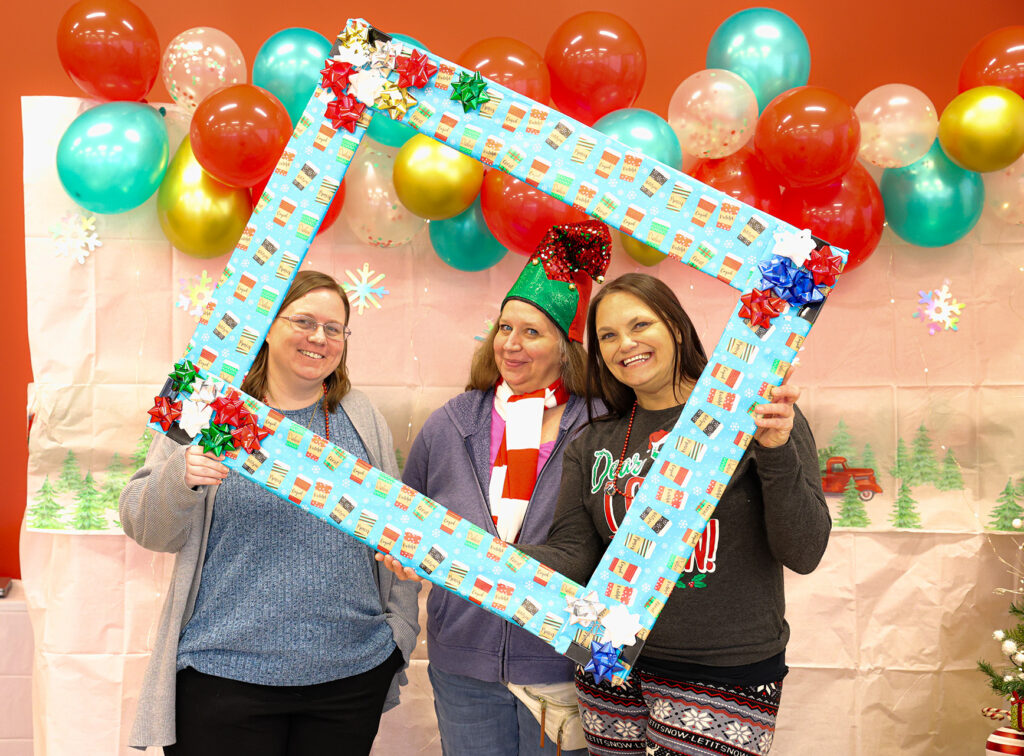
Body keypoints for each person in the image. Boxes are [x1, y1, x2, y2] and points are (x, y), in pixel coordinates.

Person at [516, 272, 831, 755]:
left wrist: (775, 450)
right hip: (605, 658)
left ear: (677, 328)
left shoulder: (755, 416)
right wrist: (484, 555)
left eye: (640, 325)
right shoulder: (593, 441)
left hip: (723, 670)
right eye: (608, 336)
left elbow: (804, 551)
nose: (626, 344)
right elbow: (574, 553)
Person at [120, 270, 419, 755]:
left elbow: (398, 532)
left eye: (334, 327)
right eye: (303, 321)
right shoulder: (207, 406)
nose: (319, 338)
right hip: (223, 676)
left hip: (349, 679)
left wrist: (396, 638)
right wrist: (182, 475)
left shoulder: (360, 415)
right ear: (266, 324)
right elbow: (141, 522)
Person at [383, 222, 611, 756]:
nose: (511, 344)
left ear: (565, 344)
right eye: (504, 328)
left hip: (562, 665)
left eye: (532, 332)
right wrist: (404, 552)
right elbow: (406, 517)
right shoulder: (452, 423)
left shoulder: (602, 426)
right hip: (462, 662)